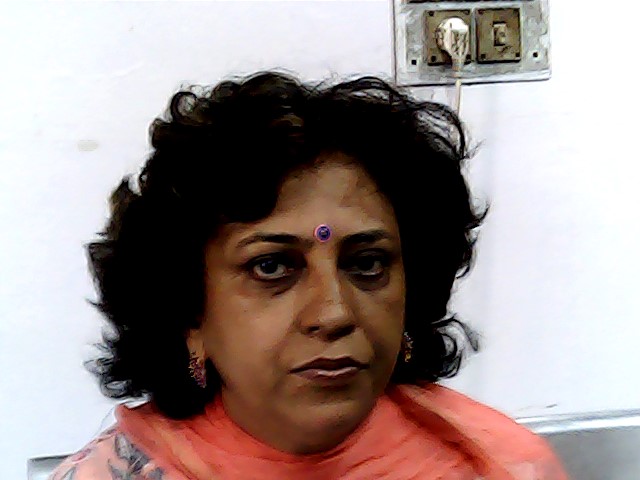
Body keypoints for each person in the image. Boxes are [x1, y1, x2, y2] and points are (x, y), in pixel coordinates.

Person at [49, 72, 567, 479]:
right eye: (271, 267)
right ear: (189, 315)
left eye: (367, 263)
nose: (334, 313)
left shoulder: (504, 467)